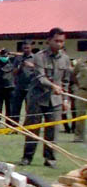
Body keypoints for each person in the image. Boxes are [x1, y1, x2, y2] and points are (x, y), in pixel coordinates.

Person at [20, 28, 71, 168]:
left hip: (55, 101)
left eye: (62, 41)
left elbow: (66, 81)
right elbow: (40, 77)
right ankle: (27, 157)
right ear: (49, 40)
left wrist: (66, 100)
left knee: (52, 131)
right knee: (33, 129)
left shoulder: (66, 59)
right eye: (56, 41)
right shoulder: (39, 57)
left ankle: (50, 159)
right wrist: (53, 86)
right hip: (37, 98)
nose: (59, 44)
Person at [0, 48, 19, 128]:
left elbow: (22, 55)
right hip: (0, 87)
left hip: (9, 87)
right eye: (3, 54)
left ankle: (7, 124)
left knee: (8, 108)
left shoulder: (11, 60)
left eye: (5, 54)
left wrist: (7, 52)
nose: (4, 56)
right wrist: (4, 51)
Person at [10, 41, 35, 124]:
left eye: (27, 48)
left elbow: (40, 71)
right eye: (24, 48)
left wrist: (32, 66)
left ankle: (28, 126)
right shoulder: (18, 59)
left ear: (31, 48)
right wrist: (20, 66)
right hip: (19, 87)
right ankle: (14, 126)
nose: (26, 50)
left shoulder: (35, 58)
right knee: (15, 108)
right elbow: (13, 72)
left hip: (30, 87)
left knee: (29, 109)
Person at [72, 56, 87, 142]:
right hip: (83, 91)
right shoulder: (81, 62)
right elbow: (73, 75)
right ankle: (79, 136)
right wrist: (79, 86)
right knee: (80, 115)